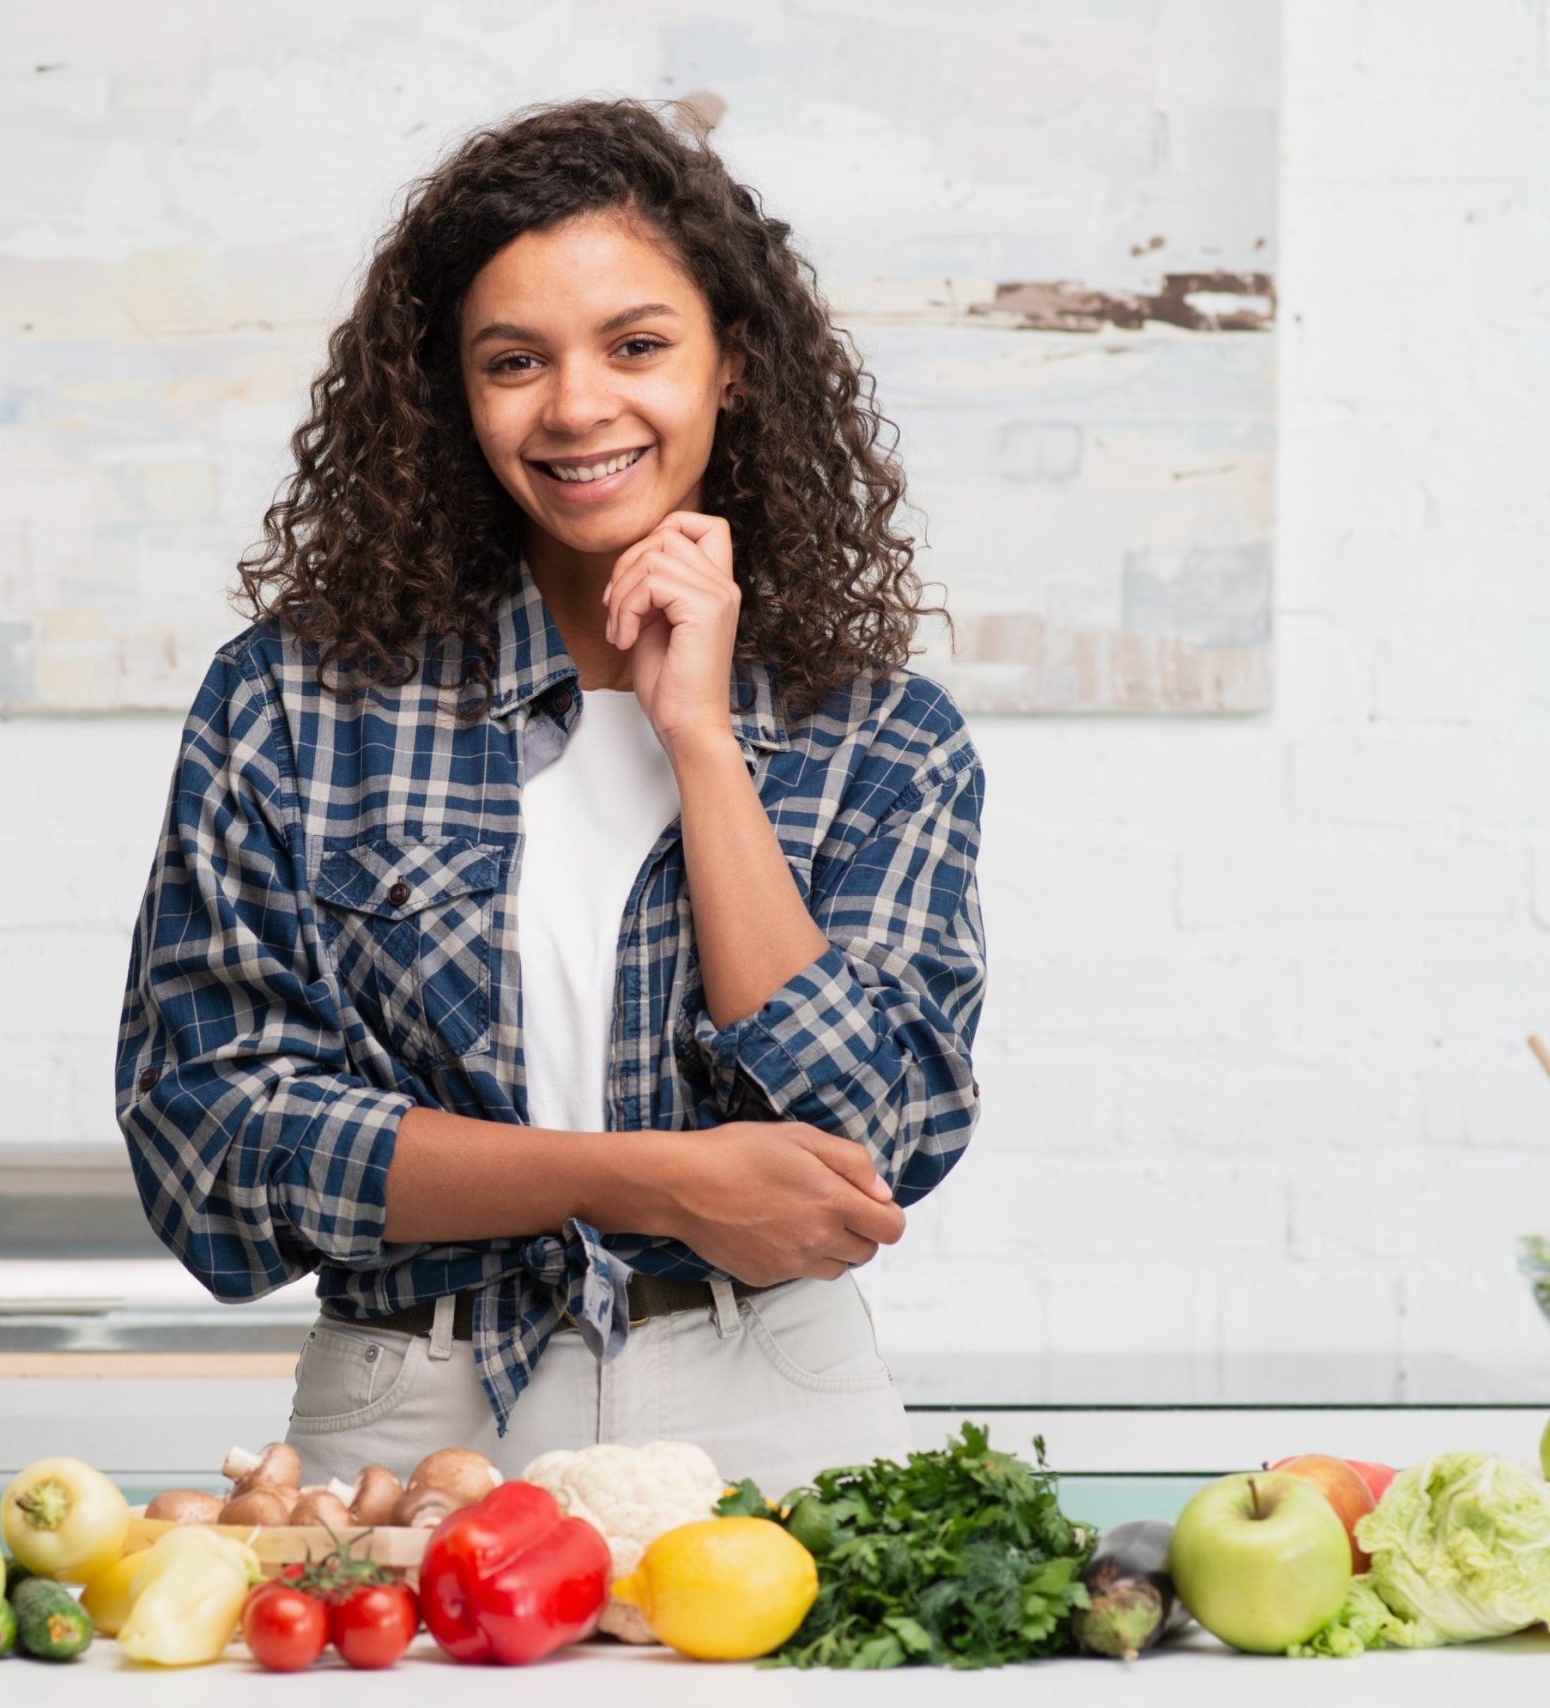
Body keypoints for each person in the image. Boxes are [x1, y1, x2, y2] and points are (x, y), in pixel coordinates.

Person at [115, 97, 984, 1496]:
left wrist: (701, 743)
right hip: (411, 1411)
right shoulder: (293, 702)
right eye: (516, 360)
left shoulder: (881, 734)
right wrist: (636, 1178)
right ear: (449, 395)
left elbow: (864, 1144)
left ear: (732, 366)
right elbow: (212, 1142)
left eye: (638, 345)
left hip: (772, 1395)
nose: (579, 406)